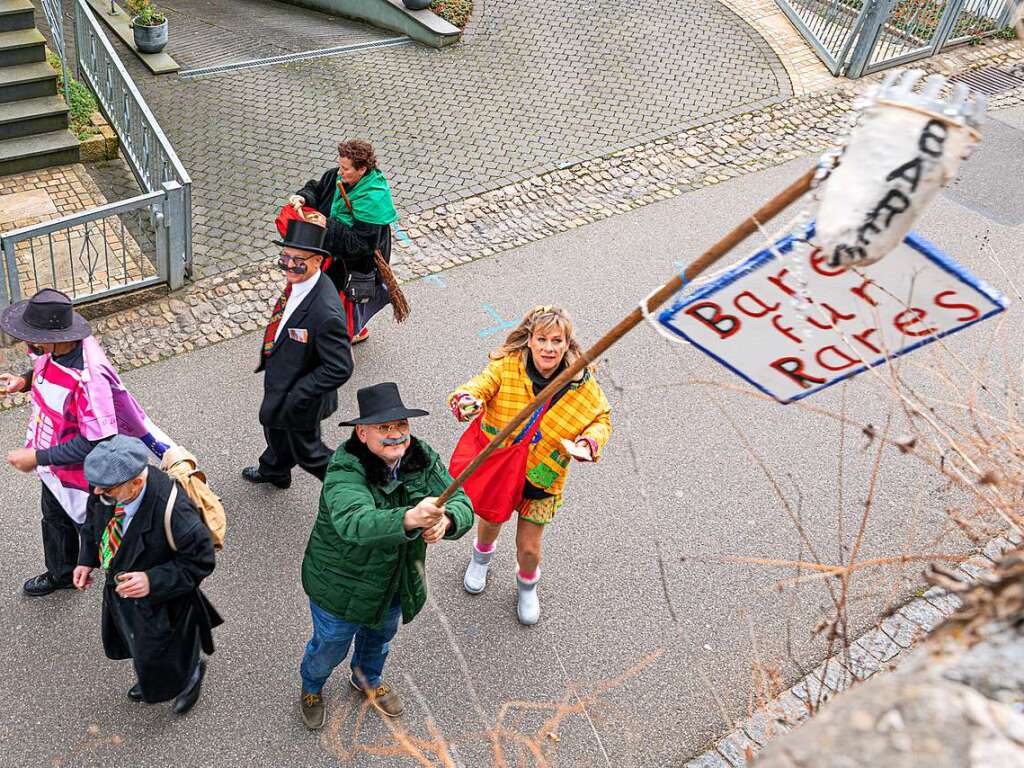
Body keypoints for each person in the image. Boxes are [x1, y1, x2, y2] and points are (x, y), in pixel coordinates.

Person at [298, 382, 474, 729]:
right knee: (329, 646)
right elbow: (354, 522)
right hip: (341, 587)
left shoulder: (421, 457)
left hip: (395, 583)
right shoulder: (344, 469)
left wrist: (448, 521)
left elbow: (461, 499)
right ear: (362, 433)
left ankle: (366, 680)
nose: (396, 435)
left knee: (378, 640)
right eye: (384, 427)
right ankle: (311, 687)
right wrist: (409, 518)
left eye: (401, 425)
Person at [0, 289, 174, 597]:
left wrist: (37, 458)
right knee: (53, 518)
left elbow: (98, 441)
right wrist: (24, 382)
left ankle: (133, 587)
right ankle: (61, 572)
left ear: (56, 336)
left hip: (85, 477)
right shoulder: (54, 347)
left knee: (99, 532)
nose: (31, 345)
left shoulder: (88, 380)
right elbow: (45, 366)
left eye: (34, 338)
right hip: (55, 465)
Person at [448, 306, 612, 625]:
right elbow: (478, 386)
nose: (548, 348)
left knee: (529, 548)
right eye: (542, 339)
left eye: (556, 340)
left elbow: (601, 418)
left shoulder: (582, 383)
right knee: (491, 520)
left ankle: (527, 586)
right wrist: (467, 399)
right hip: (501, 468)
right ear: (530, 340)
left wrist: (588, 443)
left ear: (567, 344)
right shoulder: (507, 367)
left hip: (542, 476)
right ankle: (481, 558)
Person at [73, 436, 221, 713]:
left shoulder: (176, 512)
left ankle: (190, 676)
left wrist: (152, 580)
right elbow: (93, 524)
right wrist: (86, 560)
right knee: (143, 644)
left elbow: (201, 561)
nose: (95, 492)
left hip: (163, 597)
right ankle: (157, 675)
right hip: (128, 595)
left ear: (136, 483)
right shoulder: (108, 490)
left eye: (106, 488)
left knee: (164, 644)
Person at [242, 218, 353, 489]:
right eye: (285, 257)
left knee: (310, 454)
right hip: (282, 386)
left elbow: (340, 367)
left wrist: (300, 392)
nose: (289, 265)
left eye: (299, 259)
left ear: (318, 261)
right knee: (275, 428)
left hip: (301, 399)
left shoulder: (325, 312)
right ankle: (275, 470)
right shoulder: (301, 285)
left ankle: (353, 492)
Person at [289, 139, 399, 344]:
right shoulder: (338, 176)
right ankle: (352, 331)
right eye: (340, 166)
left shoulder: (373, 199)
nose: (340, 172)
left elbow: (360, 245)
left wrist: (327, 225)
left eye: (345, 169)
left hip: (353, 264)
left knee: (332, 301)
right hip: (332, 254)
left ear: (362, 169)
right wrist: (304, 197)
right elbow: (318, 188)